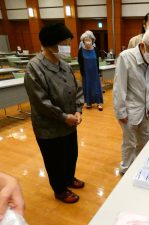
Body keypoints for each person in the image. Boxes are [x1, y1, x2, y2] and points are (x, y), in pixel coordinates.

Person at [24, 23, 85, 204]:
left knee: (71, 154)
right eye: (65, 42)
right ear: (51, 44)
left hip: (70, 123)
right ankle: (59, 189)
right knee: (54, 160)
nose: (68, 46)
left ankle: (68, 178)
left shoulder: (64, 65)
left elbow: (77, 89)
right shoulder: (34, 67)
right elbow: (40, 101)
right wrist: (63, 117)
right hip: (49, 127)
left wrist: (78, 110)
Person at [113, 27, 149, 174]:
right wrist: (120, 111)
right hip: (129, 110)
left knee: (143, 139)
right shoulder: (126, 57)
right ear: (143, 46)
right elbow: (119, 87)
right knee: (129, 142)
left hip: (146, 109)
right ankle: (125, 168)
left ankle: (139, 164)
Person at [78, 31, 104, 111]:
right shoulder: (81, 51)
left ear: (92, 40)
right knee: (87, 86)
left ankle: (99, 102)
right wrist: (82, 73)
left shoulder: (95, 49)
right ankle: (88, 102)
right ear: (83, 41)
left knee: (97, 87)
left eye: (89, 39)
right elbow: (80, 62)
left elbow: (97, 62)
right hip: (86, 73)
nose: (88, 41)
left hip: (95, 72)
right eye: (86, 40)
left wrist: (98, 72)